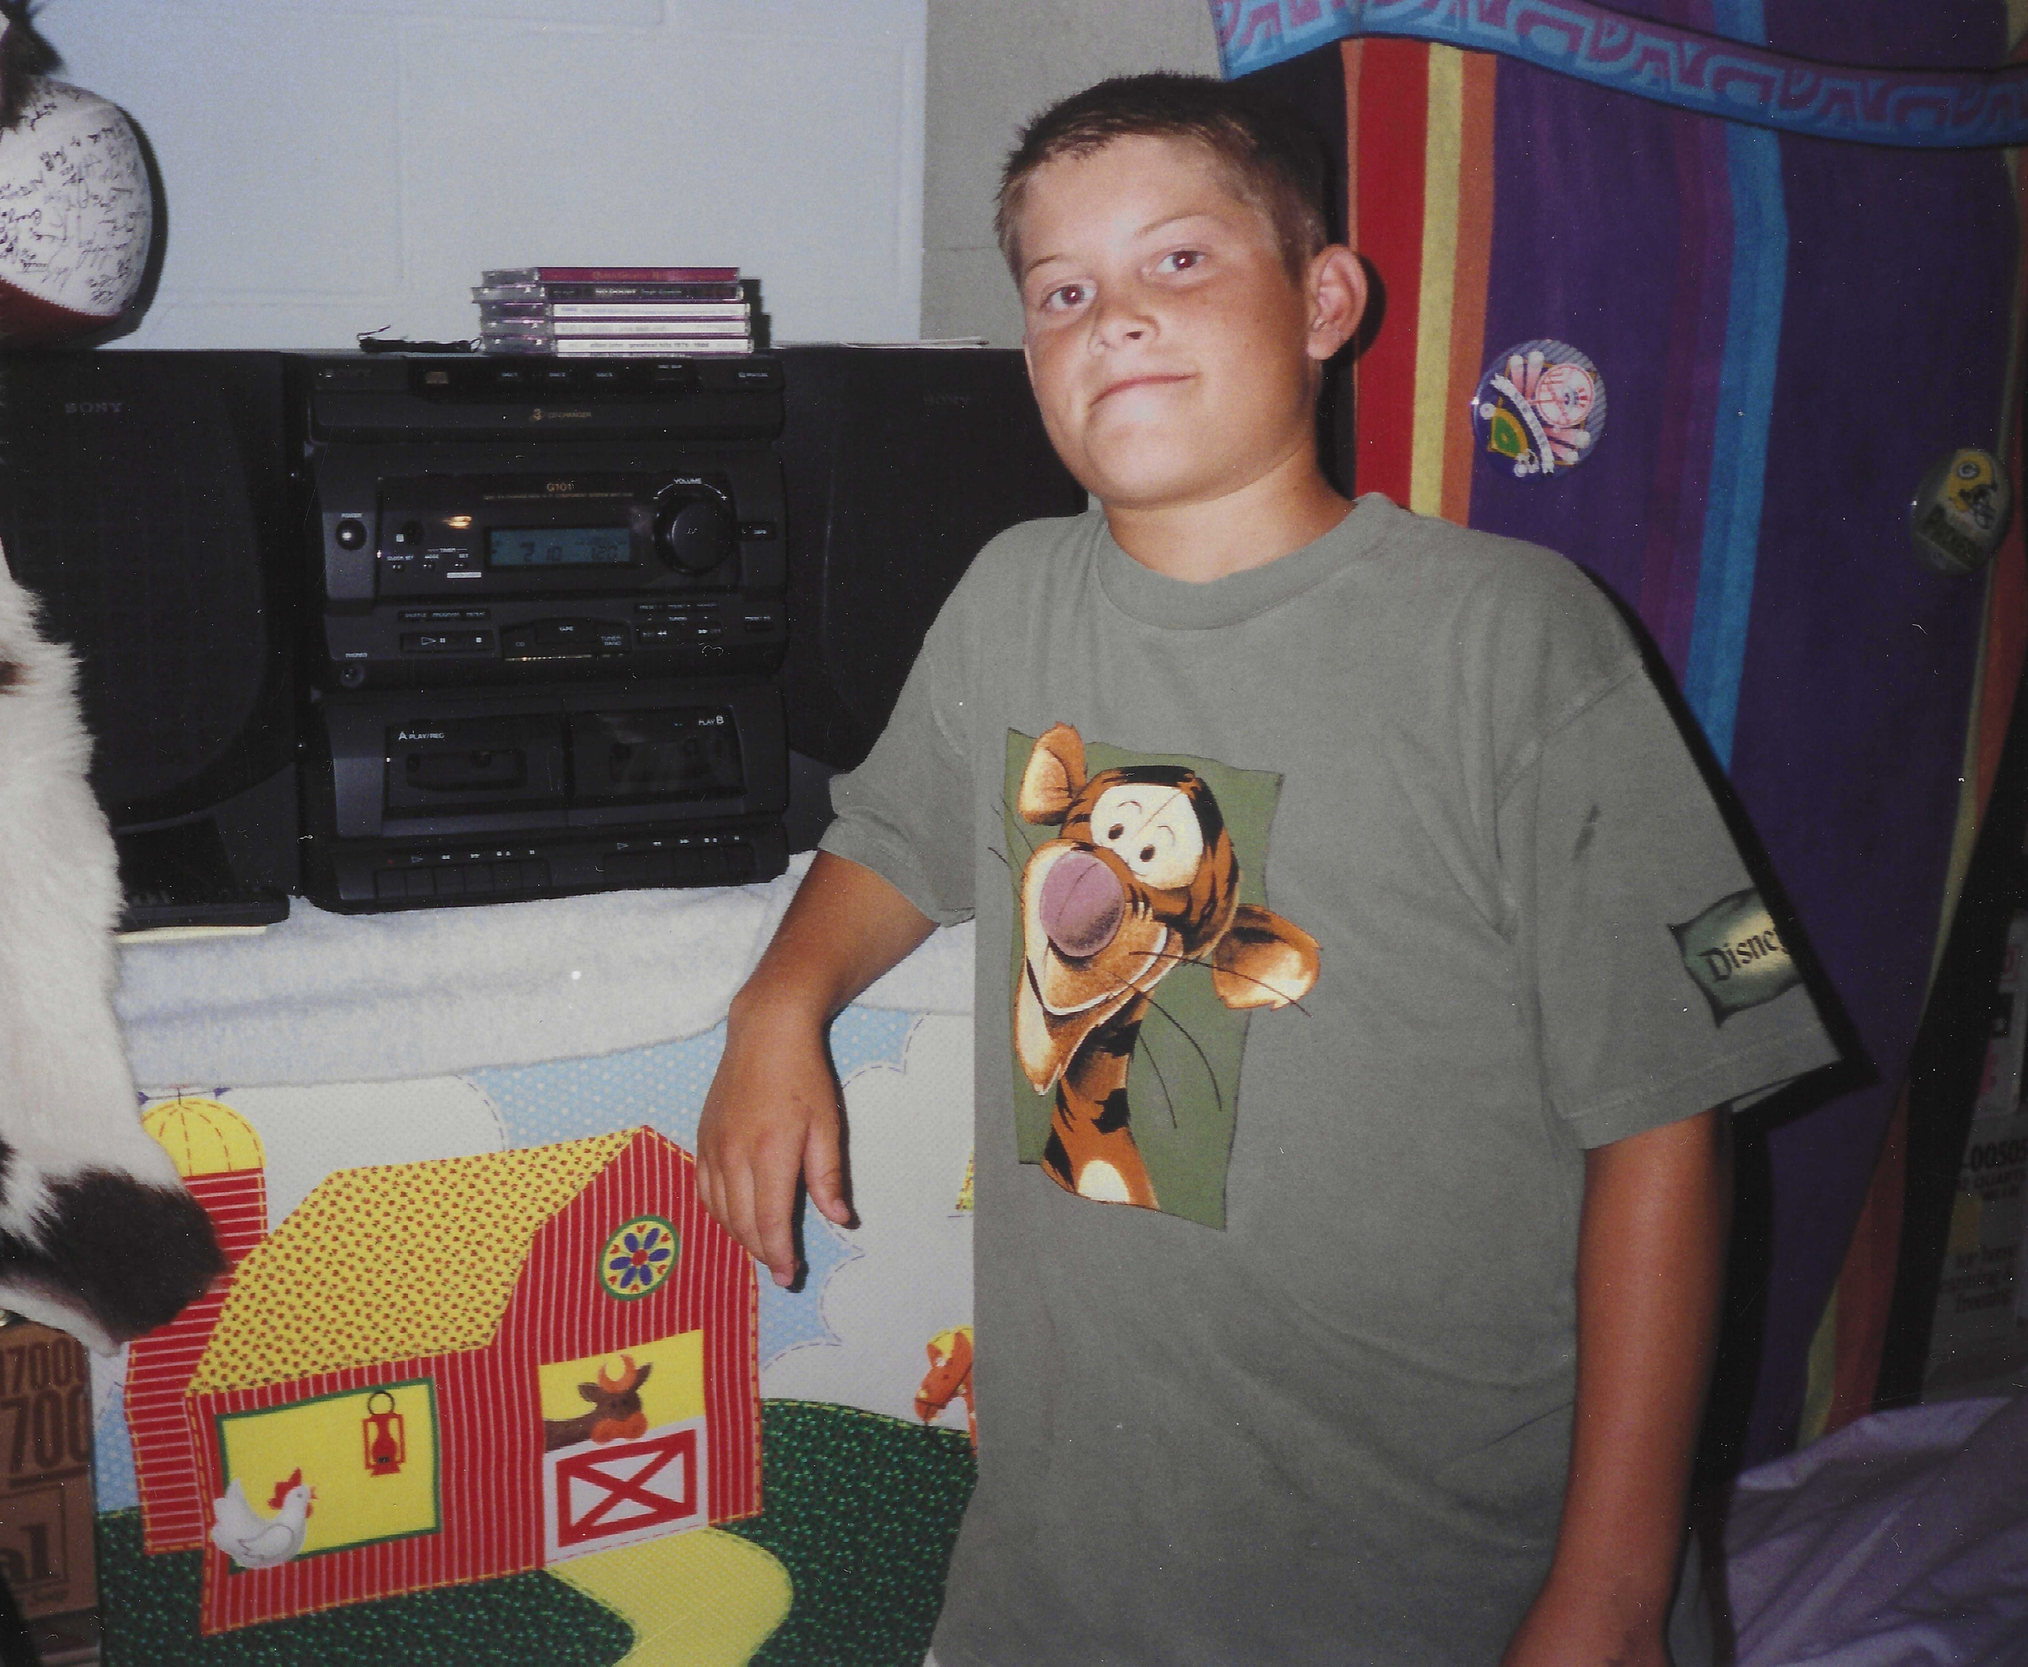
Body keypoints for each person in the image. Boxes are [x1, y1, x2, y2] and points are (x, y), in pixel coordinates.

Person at [696, 72, 1837, 1667]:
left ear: (1324, 300)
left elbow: (1671, 1111)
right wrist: (778, 1002)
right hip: (1063, 1587)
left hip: (1442, 1591)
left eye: (1178, 261)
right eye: (1062, 292)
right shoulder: (1011, 595)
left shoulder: (1517, 637)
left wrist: (1610, 1592)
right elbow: (893, 834)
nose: (1115, 317)